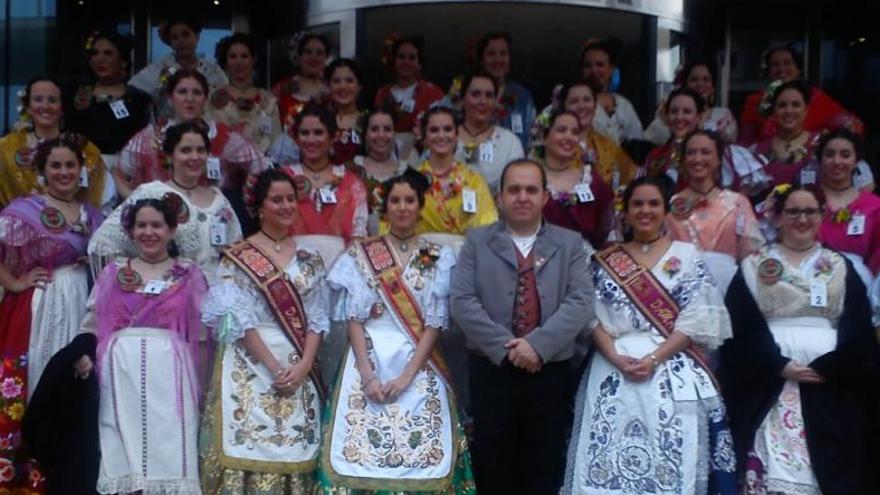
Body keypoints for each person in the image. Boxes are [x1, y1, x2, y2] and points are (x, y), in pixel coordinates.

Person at [564, 176, 736, 495]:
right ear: (625, 212)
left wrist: (655, 358)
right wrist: (615, 357)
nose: (645, 210)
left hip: (671, 367)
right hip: (610, 367)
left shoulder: (686, 257)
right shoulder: (605, 261)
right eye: (637, 204)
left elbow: (696, 317)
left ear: (665, 209)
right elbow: (589, 318)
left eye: (653, 203)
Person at [317, 170, 475, 494]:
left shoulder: (436, 256)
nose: (402, 207)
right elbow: (355, 319)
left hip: (419, 360)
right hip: (368, 358)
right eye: (395, 201)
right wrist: (367, 375)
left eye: (409, 200)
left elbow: (434, 323)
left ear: (420, 206)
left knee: (424, 454)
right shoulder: (362, 254)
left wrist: (406, 377)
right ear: (384, 208)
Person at [720, 184, 877, 494]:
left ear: (822, 216)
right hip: (769, 384)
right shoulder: (752, 267)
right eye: (793, 211)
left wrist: (831, 366)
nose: (801, 219)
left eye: (810, 211)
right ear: (778, 217)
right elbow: (739, 328)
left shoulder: (841, 267)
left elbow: (859, 331)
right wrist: (776, 364)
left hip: (829, 388)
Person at [450, 159, 593, 494]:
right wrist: (509, 348)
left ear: (545, 196)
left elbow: (581, 301)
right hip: (491, 367)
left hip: (551, 369)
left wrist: (537, 346)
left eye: (531, 189)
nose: (523, 197)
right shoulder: (476, 241)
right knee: (493, 457)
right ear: (499, 197)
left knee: (544, 460)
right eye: (514, 189)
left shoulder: (570, 243)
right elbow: (462, 302)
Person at [200, 168, 330, 494]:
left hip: (298, 365)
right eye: (276, 200)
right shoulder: (237, 258)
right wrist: (272, 366)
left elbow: (317, 318)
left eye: (290, 199)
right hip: (250, 364)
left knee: (298, 449)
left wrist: (303, 366)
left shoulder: (310, 259)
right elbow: (236, 321)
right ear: (259, 207)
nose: (285, 206)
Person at [78, 197, 207, 494]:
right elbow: (93, 321)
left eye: (157, 225)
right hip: (120, 371)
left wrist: (202, 381)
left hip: (172, 372)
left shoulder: (188, 274)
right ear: (131, 231)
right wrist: (85, 354)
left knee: (173, 443)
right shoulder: (113, 273)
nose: (149, 232)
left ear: (172, 230)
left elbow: (201, 333)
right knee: (121, 445)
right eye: (141, 225)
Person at [0, 136, 104, 493]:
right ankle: (25, 478)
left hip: (83, 304)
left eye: (70, 165)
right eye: (55, 165)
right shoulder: (24, 210)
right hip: (40, 305)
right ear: (42, 171)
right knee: (34, 377)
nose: (63, 172)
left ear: (81, 169)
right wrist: (14, 282)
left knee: (75, 386)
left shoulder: (93, 215)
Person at [89, 121, 242, 285]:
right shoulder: (151, 193)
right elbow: (102, 245)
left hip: (214, 300)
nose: (195, 157)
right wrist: (137, 281)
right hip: (168, 300)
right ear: (170, 155)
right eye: (186, 150)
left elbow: (236, 254)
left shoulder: (220, 202)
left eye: (200, 150)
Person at [117, 68, 268, 230]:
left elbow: (261, 167)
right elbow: (120, 175)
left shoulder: (224, 137)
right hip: (159, 226)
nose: (189, 99)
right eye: (182, 92)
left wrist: (244, 204)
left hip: (210, 223)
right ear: (170, 97)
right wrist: (138, 203)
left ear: (205, 98)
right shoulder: (149, 137)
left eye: (197, 93)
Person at [666, 130, 765, 292]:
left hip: (729, 291)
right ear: (683, 159)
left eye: (706, 152)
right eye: (691, 153)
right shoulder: (669, 204)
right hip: (680, 290)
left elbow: (751, 257)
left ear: (719, 159)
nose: (698, 159)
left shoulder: (738, 203)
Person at [65, 31, 153, 212]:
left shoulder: (139, 99)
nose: (100, 59)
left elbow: (146, 143)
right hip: (81, 174)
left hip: (125, 175)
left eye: (108, 53)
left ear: (124, 61)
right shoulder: (75, 94)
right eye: (95, 54)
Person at [0, 78, 107, 210]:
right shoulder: (6, 148)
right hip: (19, 224)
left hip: (72, 225)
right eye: (38, 99)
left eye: (52, 100)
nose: (45, 106)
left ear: (62, 108)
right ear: (27, 107)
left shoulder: (85, 149)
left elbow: (97, 198)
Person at [739, 45, 862, 146]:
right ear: (768, 72)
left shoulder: (816, 97)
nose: (781, 69)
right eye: (775, 65)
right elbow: (745, 142)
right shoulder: (755, 101)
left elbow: (854, 127)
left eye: (787, 63)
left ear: (798, 69)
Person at [280, 103, 368, 243]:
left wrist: (344, 265)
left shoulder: (352, 184)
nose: (311, 140)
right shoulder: (282, 179)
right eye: (304, 133)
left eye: (318, 132)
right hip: (290, 260)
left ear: (332, 136)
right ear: (296, 138)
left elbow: (358, 237)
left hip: (342, 262)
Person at [532, 110, 613, 248]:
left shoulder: (591, 179)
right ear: (544, 137)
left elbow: (606, 225)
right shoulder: (530, 179)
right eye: (562, 130)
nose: (569, 137)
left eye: (575, 132)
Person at [415, 107, 497, 234]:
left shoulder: (474, 180)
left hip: (467, 252)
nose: (441, 135)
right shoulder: (412, 182)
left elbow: (489, 224)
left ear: (456, 135)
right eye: (434, 130)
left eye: (447, 129)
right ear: (424, 137)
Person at [546, 80, 638, 192]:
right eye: (574, 101)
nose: (581, 106)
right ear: (563, 107)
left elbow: (631, 179)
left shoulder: (610, 147)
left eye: (587, 100)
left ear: (595, 107)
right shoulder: (551, 147)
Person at [128, 15, 228, 116]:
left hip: (207, 126)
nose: (181, 41)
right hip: (167, 127)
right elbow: (132, 90)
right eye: (175, 37)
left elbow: (226, 98)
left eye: (185, 35)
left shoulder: (212, 69)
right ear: (170, 42)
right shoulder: (160, 67)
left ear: (197, 36)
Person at [816, 129, 880, 286]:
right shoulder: (804, 200)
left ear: (856, 161)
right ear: (820, 159)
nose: (837, 161)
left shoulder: (873, 206)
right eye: (830, 155)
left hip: (859, 284)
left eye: (845, 155)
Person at [206, 32, 284, 155]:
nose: (239, 61)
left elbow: (276, 140)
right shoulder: (213, 98)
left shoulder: (268, 100)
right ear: (225, 62)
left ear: (253, 60)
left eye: (244, 56)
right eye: (233, 56)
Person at [373, 35, 445, 160]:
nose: (406, 62)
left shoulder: (433, 93)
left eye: (412, 57)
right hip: (386, 153)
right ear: (394, 61)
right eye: (401, 57)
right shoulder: (382, 94)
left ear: (419, 63)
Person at [452, 72, 524, 194]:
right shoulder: (444, 138)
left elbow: (518, 188)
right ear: (462, 99)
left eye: (489, 95)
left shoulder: (510, 142)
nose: (483, 101)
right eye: (476, 94)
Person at [645, 62, 738, 145]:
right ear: (685, 85)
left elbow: (729, 143)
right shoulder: (672, 112)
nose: (700, 84)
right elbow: (649, 141)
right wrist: (667, 121)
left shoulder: (723, 114)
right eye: (694, 79)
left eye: (706, 80)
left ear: (713, 87)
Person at [351, 107, 410, 235]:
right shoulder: (352, 170)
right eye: (374, 129)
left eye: (387, 129)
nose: (381, 135)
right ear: (365, 134)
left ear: (395, 133)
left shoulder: (407, 172)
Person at [476, 33, 536, 149]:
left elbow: (533, 139)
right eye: (491, 54)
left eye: (503, 54)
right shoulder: (469, 94)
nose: (498, 59)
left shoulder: (523, 96)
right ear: (482, 60)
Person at [580, 38, 643, 144]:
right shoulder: (571, 102)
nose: (593, 70)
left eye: (600, 65)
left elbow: (639, 142)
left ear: (612, 69)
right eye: (588, 65)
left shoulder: (624, 105)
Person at [272, 33, 330, 133]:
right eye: (308, 52)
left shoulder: (332, 91)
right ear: (299, 57)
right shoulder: (282, 88)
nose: (313, 57)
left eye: (319, 53)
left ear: (326, 58)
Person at [325, 58, 365, 164]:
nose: (343, 87)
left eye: (349, 81)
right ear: (328, 86)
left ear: (359, 86)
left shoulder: (369, 121)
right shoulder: (320, 121)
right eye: (336, 81)